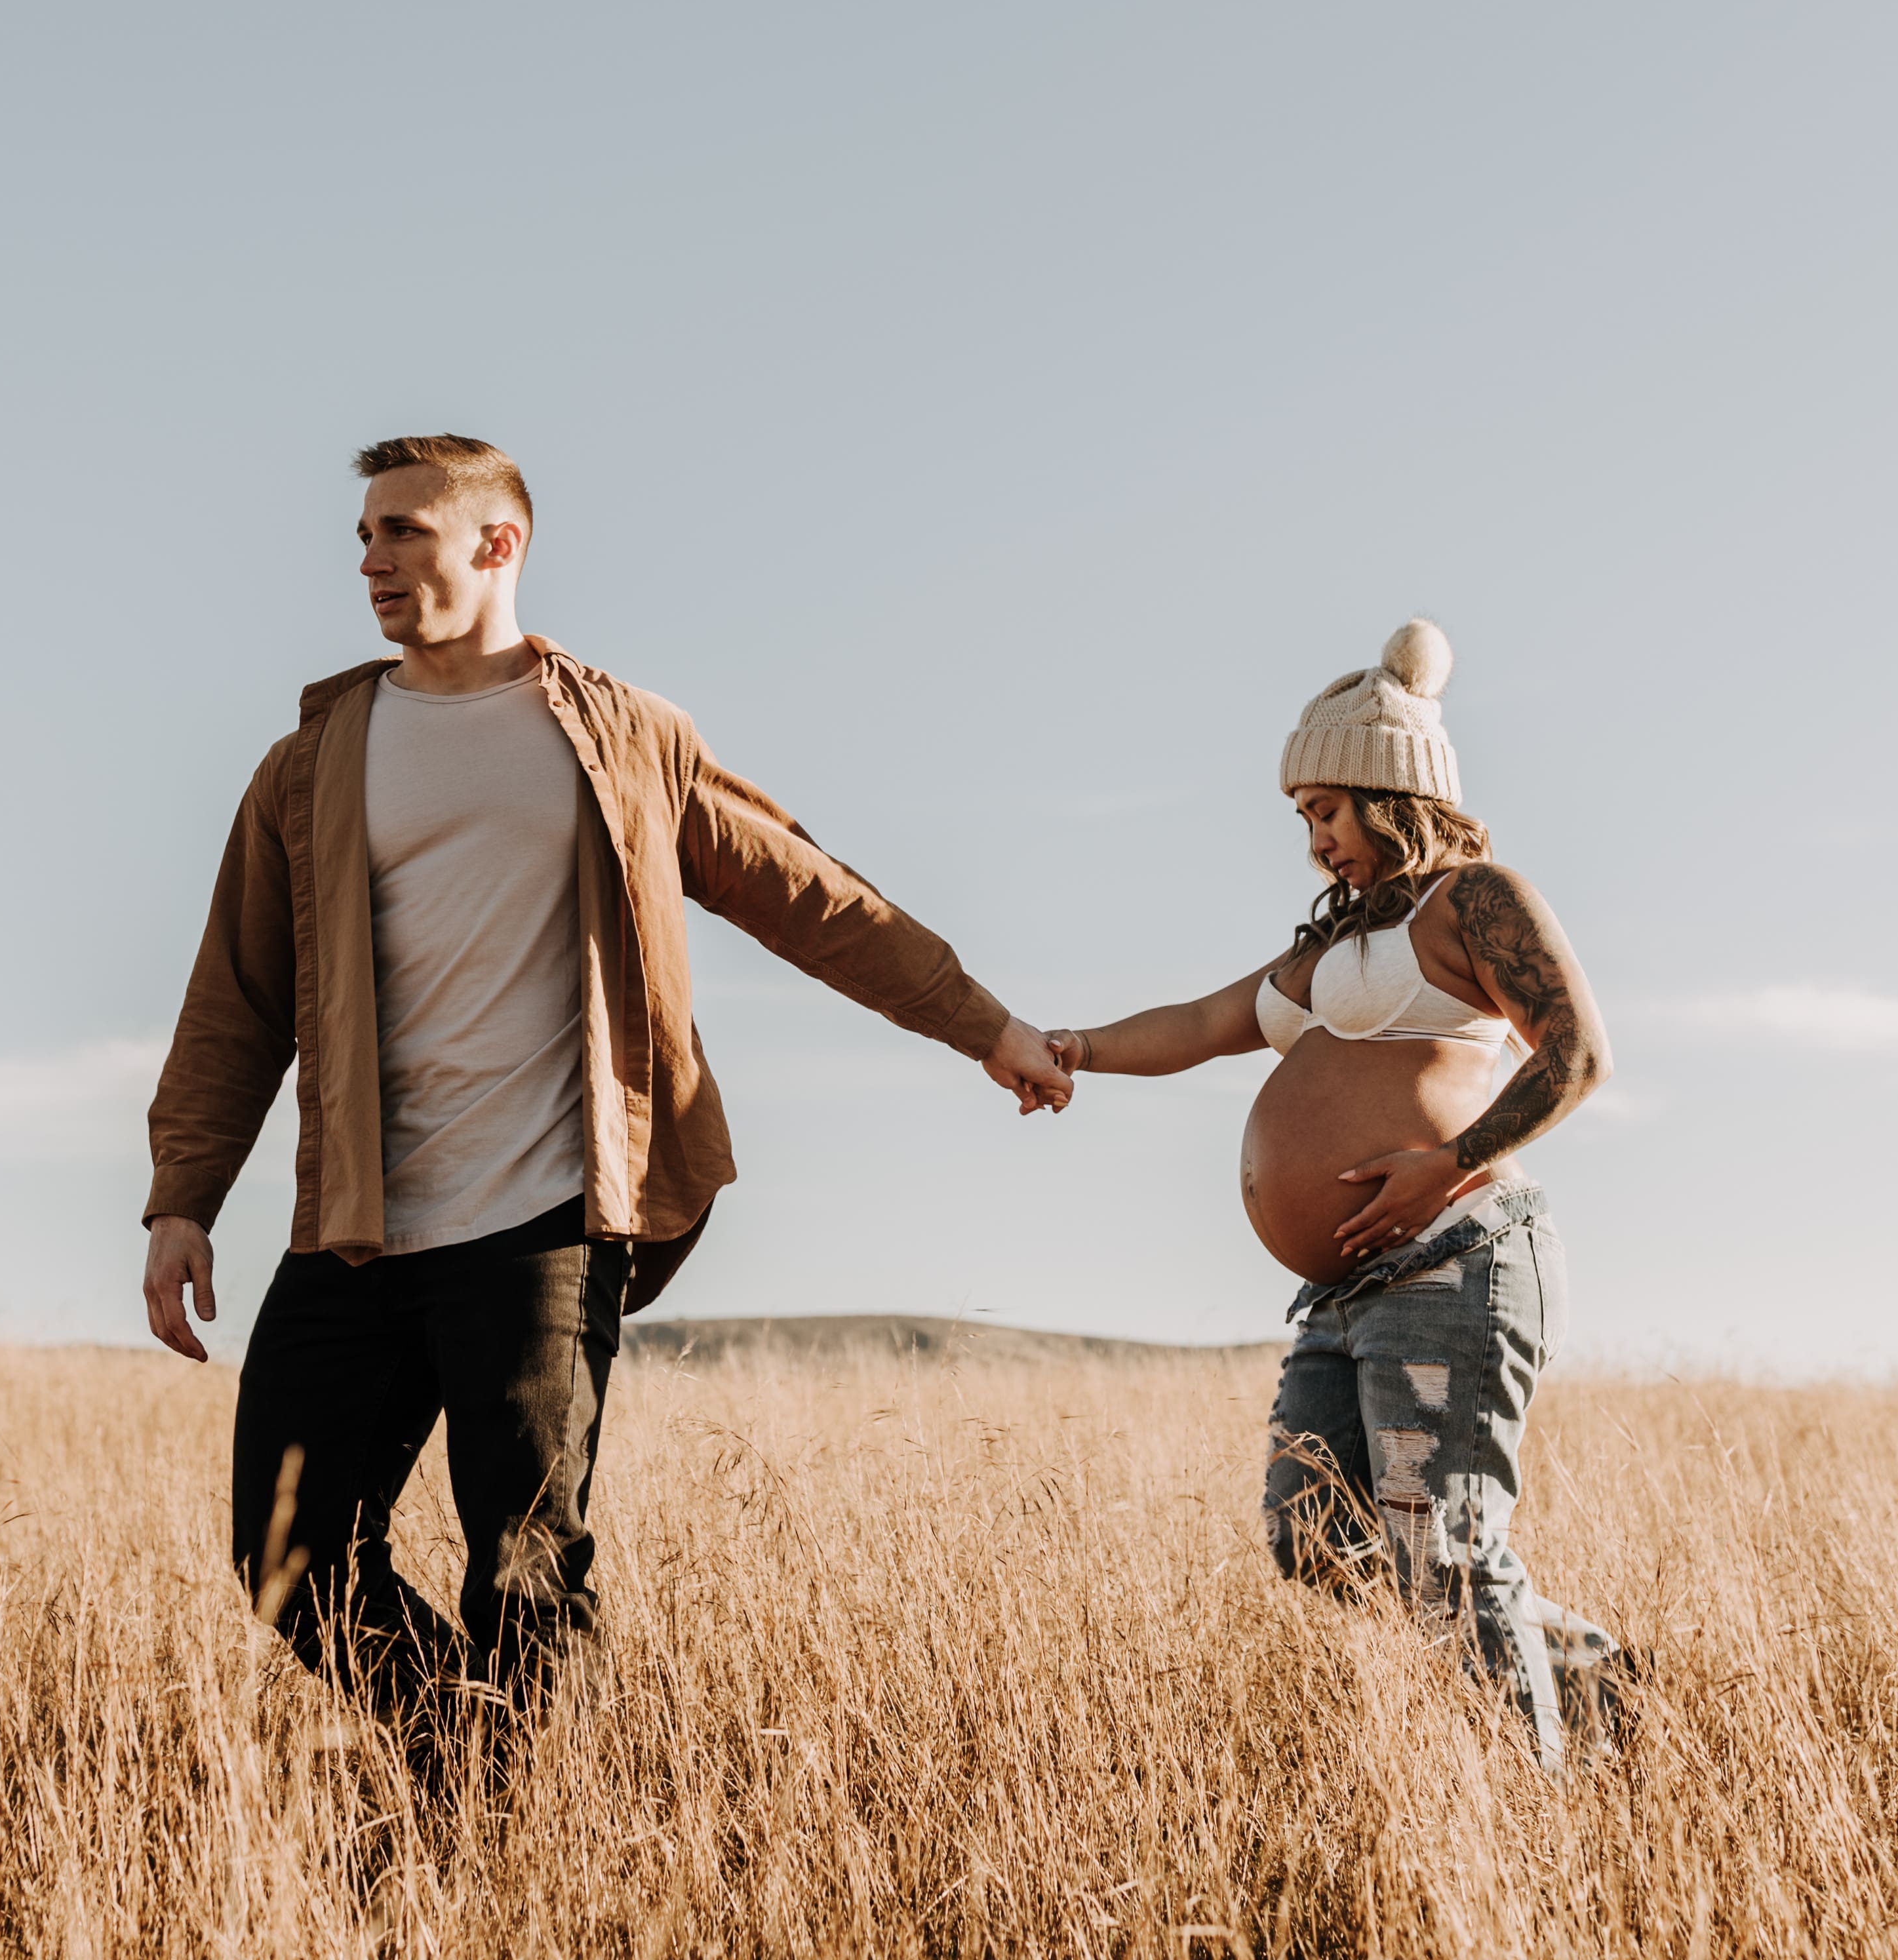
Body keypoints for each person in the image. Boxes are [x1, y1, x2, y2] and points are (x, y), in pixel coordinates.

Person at [139, 434, 1072, 1725]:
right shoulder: (313, 762)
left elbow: (809, 894)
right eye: (363, 536)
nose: (372, 559)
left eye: (404, 530)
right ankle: (455, 1756)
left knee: (525, 1563)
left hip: (545, 1219)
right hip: (359, 1222)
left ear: (496, 544)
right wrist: (182, 1196)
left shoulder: (624, 735)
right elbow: (233, 1001)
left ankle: (500, 1855)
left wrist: (982, 1023)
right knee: (286, 1548)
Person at [1041, 619, 1620, 1766]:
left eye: (1326, 811)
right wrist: (1069, 1050)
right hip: (1353, 1288)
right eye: (1301, 818)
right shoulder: (1327, 949)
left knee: (1443, 1554)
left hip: (1455, 1257)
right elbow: (1202, 1024)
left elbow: (1578, 1055)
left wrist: (1444, 1167)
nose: (1314, 841)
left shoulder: (1474, 901)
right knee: (1313, 1538)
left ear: (1389, 794)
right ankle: (1589, 1675)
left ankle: (1537, 1821)